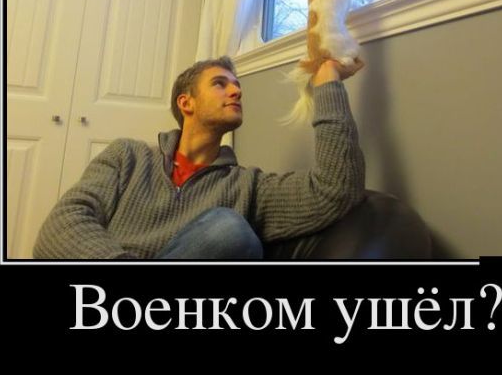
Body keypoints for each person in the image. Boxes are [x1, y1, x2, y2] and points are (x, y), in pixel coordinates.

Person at [33, 56, 366, 260]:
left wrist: (327, 80)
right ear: (186, 103)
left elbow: (335, 190)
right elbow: (61, 226)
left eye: (237, 86)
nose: (236, 91)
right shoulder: (127, 157)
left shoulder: (248, 187)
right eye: (220, 84)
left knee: (229, 231)